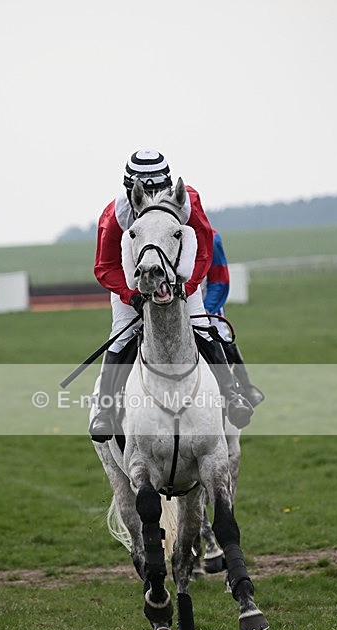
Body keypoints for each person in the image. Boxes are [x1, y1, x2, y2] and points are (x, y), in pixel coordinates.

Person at [89, 149, 254, 442]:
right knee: (122, 334)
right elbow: (104, 267)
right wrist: (132, 296)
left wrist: (185, 289)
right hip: (133, 280)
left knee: (203, 326)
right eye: (144, 192)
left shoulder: (189, 202)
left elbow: (203, 251)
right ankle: (105, 410)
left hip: (179, 278)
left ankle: (232, 395)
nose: (151, 198)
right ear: (132, 191)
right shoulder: (114, 215)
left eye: (158, 190)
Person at [203, 231, 264, 409]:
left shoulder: (211, 238)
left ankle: (243, 392)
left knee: (222, 337)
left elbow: (219, 280)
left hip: (206, 303)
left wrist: (206, 309)